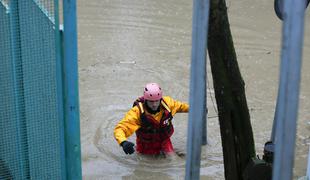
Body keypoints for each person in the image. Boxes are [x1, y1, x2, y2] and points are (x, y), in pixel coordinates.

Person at [114, 83, 189, 155]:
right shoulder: (137, 113)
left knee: (173, 159)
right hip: (145, 146)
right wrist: (123, 142)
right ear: (146, 100)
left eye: (157, 101)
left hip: (164, 141)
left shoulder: (168, 104)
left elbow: (182, 107)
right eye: (151, 101)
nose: (154, 105)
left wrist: (199, 109)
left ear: (160, 99)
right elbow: (120, 128)